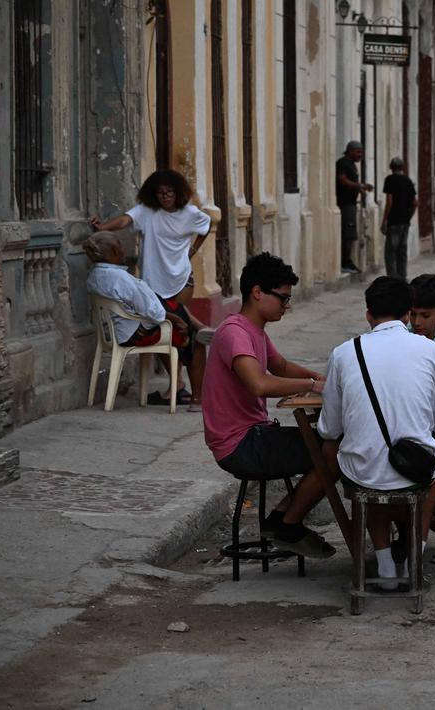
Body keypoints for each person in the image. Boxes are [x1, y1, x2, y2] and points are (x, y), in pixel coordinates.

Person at [317, 276, 435, 587]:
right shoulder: (431, 351)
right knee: (432, 472)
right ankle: (415, 557)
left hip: (361, 473)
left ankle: (384, 565)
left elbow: (329, 428)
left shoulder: (344, 353)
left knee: (369, 472)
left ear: (368, 315)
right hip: (416, 473)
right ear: (408, 315)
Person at [202, 252, 336, 559]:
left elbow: (281, 365)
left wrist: (318, 376)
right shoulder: (234, 332)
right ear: (258, 292)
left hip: (255, 435)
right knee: (334, 452)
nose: (286, 307)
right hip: (241, 444)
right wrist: (312, 386)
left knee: (331, 445)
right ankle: (286, 523)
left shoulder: (255, 330)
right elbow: (259, 383)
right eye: (283, 299)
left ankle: (282, 520)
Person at [90, 169, 215, 406]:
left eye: (169, 193)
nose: (165, 197)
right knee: (164, 325)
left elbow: (206, 225)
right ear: (153, 195)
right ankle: (178, 384)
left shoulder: (189, 212)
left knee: (175, 326)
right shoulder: (147, 212)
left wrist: (193, 250)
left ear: (178, 193)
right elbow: (125, 220)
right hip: (153, 281)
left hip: (181, 278)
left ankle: (183, 386)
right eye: (160, 193)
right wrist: (104, 226)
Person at [84, 231, 207, 412]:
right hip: (135, 334)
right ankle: (197, 399)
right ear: (111, 252)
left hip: (116, 332)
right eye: (119, 247)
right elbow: (154, 313)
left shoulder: (94, 275)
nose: (123, 251)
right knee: (196, 337)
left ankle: (198, 326)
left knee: (172, 307)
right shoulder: (120, 278)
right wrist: (173, 318)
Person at [336, 141, 375, 274]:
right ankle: (345, 261)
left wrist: (362, 189)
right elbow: (342, 180)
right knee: (348, 233)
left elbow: (353, 183)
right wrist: (359, 186)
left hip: (351, 203)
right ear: (350, 151)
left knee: (351, 234)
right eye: (358, 152)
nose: (360, 155)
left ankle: (348, 260)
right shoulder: (342, 163)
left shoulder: (352, 165)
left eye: (361, 152)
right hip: (345, 203)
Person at [380, 157, 417, 280]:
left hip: (394, 220)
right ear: (402, 167)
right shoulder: (408, 181)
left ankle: (392, 277)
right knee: (402, 250)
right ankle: (403, 276)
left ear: (391, 167)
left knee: (390, 251)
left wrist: (384, 220)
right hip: (405, 221)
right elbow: (415, 203)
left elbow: (389, 201)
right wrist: (409, 216)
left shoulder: (390, 180)